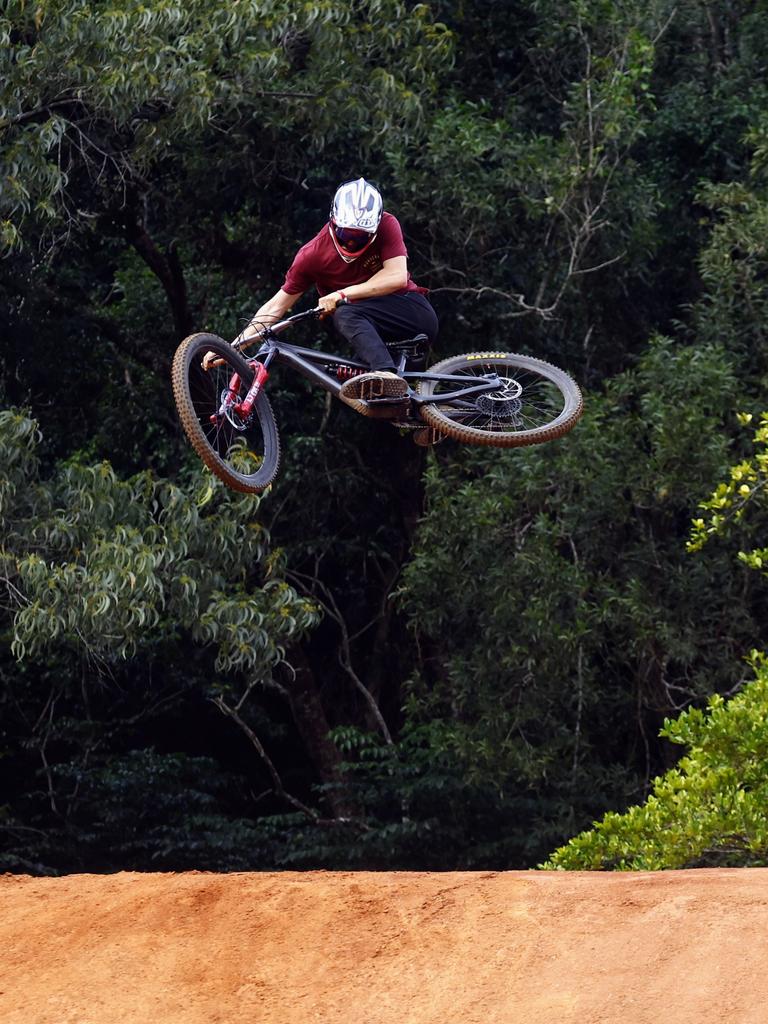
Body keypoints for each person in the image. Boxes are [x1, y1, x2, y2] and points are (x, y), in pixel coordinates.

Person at [231, 177, 438, 402]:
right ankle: (425, 414)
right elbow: (276, 306)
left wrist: (341, 294)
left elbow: (396, 276)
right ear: (333, 222)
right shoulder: (312, 255)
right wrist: (231, 349)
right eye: (346, 235)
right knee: (359, 387)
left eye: (360, 237)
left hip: (412, 312)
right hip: (373, 332)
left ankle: (385, 374)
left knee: (346, 312)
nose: (350, 243)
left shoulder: (387, 224)